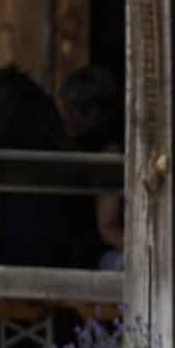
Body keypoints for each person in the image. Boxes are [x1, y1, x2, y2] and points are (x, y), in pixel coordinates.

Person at [60, 64, 125, 270]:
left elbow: (107, 227)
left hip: (96, 260)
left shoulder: (108, 153)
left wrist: (149, 260)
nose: (66, 118)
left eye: (71, 110)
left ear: (93, 112)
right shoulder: (76, 149)